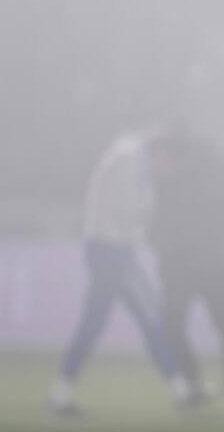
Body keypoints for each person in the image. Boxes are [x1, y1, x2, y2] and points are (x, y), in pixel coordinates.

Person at [49, 129, 192, 417]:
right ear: (162, 152)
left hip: (109, 248)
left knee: (113, 319)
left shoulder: (127, 158)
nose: (168, 171)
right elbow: (128, 211)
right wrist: (148, 227)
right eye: (170, 163)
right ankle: (181, 387)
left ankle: (181, 387)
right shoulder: (131, 164)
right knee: (146, 317)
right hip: (113, 250)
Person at [149, 125, 224, 414]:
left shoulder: (211, 173)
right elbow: (159, 219)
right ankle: (199, 387)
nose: (155, 162)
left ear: (174, 153)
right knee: (173, 325)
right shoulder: (167, 181)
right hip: (182, 264)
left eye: (160, 154)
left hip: (210, 263)